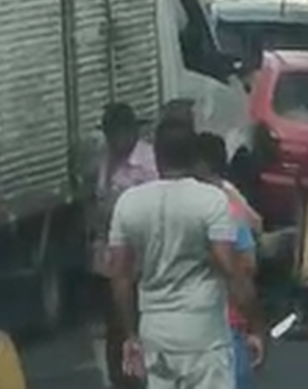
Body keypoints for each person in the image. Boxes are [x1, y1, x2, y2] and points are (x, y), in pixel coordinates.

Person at [107, 120, 261, 389]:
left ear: (157, 157)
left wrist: (131, 334)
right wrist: (255, 325)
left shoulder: (129, 203)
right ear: (193, 155)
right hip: (204, 334)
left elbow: (120, 277)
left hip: (155, 331)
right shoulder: (212, 201)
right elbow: (230, 269)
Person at [95, 102, 159, 389]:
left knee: (145, 324)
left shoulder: (148, 163)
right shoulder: (107, 161)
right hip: (116, 256)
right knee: (117, 328)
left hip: (145, 258)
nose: (113, 142)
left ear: (130, 132)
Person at [196, 132, 265, 389]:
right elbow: (248, 266)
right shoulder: (229, 208)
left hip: (185, 325)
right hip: (226, 324)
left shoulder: (170, 210)